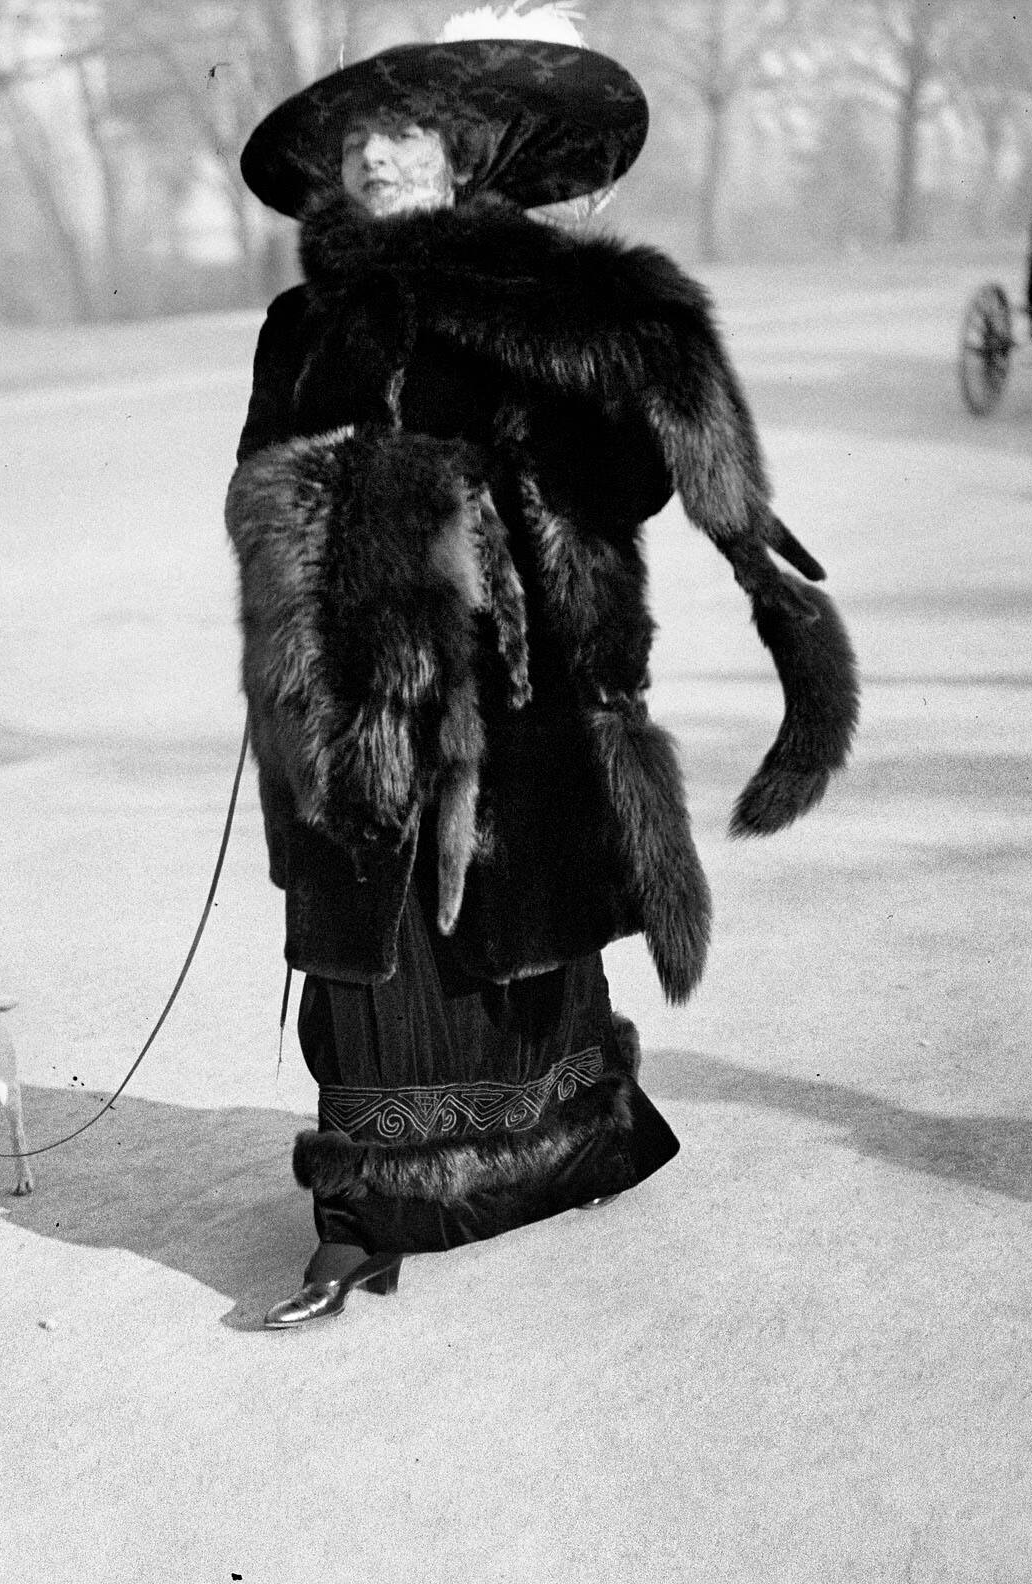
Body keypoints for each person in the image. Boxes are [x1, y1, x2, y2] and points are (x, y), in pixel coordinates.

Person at [227, 4, 859, 1330]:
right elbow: (260, 491)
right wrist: (369, 526)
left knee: (522, 927)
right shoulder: (303, 326)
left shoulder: (537, 298)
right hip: (356, 693)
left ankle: (573, 1141)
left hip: (519, 688)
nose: (373, 156)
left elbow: (622, 480)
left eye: (400, 132)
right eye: (352, 142)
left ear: (457, 155)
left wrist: (582, 393)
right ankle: (361, 1220)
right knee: (375, 948)